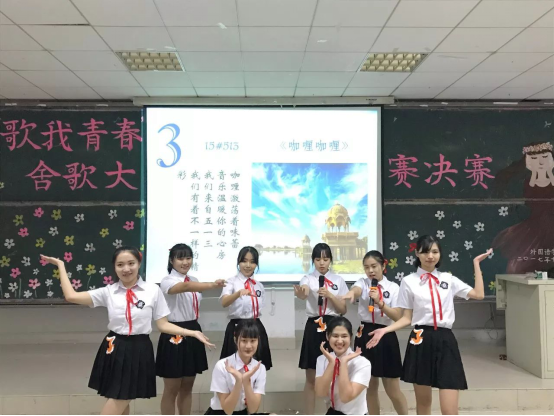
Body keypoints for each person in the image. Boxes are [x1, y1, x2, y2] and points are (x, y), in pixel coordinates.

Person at [40, 247, 215, 416]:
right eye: (120, 265)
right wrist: (61, 265)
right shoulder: (108, 292)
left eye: (131, 263)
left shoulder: (152, 290)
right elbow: (71, 296)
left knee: (122, 397)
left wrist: (192, 333)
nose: (126, 269)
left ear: (139, 264)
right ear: (114, 267)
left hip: (139, 348)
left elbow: (163, 324)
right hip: (114, 347)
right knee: (118, 397)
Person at [367, 235, 492, 415]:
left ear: (440, 254)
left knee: (450, 410)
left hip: (445, 340)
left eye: (434, 251)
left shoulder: (448, 279)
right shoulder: (408, 281)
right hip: (420, 340)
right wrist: (384, 330)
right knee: (424, 404)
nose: (430, 256)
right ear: (417, 254)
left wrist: (476, 264)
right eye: (425, 252)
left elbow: (479, 294)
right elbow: (406, 318)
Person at [157, 243, 227, 415]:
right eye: (180, 258)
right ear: (171, 260)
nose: (185, 262)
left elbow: (191, 287)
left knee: (188, 386)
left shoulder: (194, 279)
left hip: (193, 329)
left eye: (188, 258)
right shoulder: (167, 281)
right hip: (173, 331)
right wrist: (212, 285)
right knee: (171, 388)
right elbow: (185, 287)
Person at [342, 251, 408, 415]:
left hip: (385, 334)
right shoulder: (363, 283)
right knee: (369, 386)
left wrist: (380, 303)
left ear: (383, 266)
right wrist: (351, 293)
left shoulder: (393, 287)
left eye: (374, 266)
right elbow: (356, 290)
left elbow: (397, 316)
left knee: (392, 389)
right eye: (366, 267)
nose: (370, 271)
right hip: (365, 334)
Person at [294, 243, 348, 415]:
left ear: (330, 260)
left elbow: (343, 309)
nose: (322, 263)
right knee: (311, 377)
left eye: (325, 259)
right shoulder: (308, 278)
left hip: (333, 327)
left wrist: (330, 295)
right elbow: (304, 292)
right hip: (314, 326)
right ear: (313, 261)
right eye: (318, 259)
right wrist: (301, 293)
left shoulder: (338, 280)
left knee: (333, 375)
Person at [493, 141, 554, 273]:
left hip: (548, 222)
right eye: (535, 159)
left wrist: (549, 173)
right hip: (537, 224)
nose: (541, 162)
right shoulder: (528, 181)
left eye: (545, 158)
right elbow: (530, 196)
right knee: (522, 263)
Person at [220, 247, 272, 370]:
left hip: (255, 327)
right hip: (237, 327)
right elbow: (224, 302)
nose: (248, 265)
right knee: (234, 369)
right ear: (238, 262)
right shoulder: (231, 282)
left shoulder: (259, 286)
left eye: (252, 262)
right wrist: (238, 294)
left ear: (256, 264)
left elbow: (260, 308)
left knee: (257, 367)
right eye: (244, 261)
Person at [205, 319, 266, 415]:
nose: (248, 346)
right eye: (244, 341)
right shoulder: (222, 366)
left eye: (253, 341)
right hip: (221, 412)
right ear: (235, 340)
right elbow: (228, 410)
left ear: (258, 340)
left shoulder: (260, 368)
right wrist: (238, 381)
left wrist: (246, 382)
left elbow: (253, 409)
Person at [315, 317, 372, 415]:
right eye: (335, 336)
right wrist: (332, 363)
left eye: (344, 336)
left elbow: (345, 397)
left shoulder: (362, 363)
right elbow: (320, 392)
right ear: (328, 336)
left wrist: (344, 363)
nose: (340, 341)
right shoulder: (322, 359)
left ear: (350, 337)